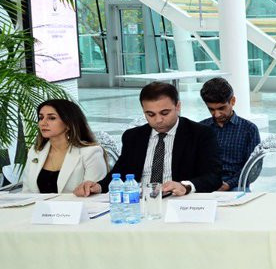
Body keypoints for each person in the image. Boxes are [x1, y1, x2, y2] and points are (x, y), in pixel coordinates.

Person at [75, 81, 222, 196]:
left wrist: (185, 186)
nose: (158, 120)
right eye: (150, 114)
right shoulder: (133, 137)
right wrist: (98, 186)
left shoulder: (200, 134)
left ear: (178, 106)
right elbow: (120, 173)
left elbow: (213, 177)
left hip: (178, 201)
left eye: (165, 113)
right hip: (138, 201)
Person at [22, 99, 106, 194]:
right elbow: (26, 192)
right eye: (41, 118)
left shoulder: (90, 153)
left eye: (51, 118)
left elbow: (94, 194)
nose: (43, 123)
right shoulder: (35, 151)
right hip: (37, 204)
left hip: (78, 204)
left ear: (68, 124)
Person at [198, 76, 261, 191]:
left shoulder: (249, 130)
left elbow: (253, 169)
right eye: (211, 109)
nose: (217, 114)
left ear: (233, 101)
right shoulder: (201, 128)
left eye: (221, 108)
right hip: (205, 184)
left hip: (236, 185)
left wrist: (228, 184)